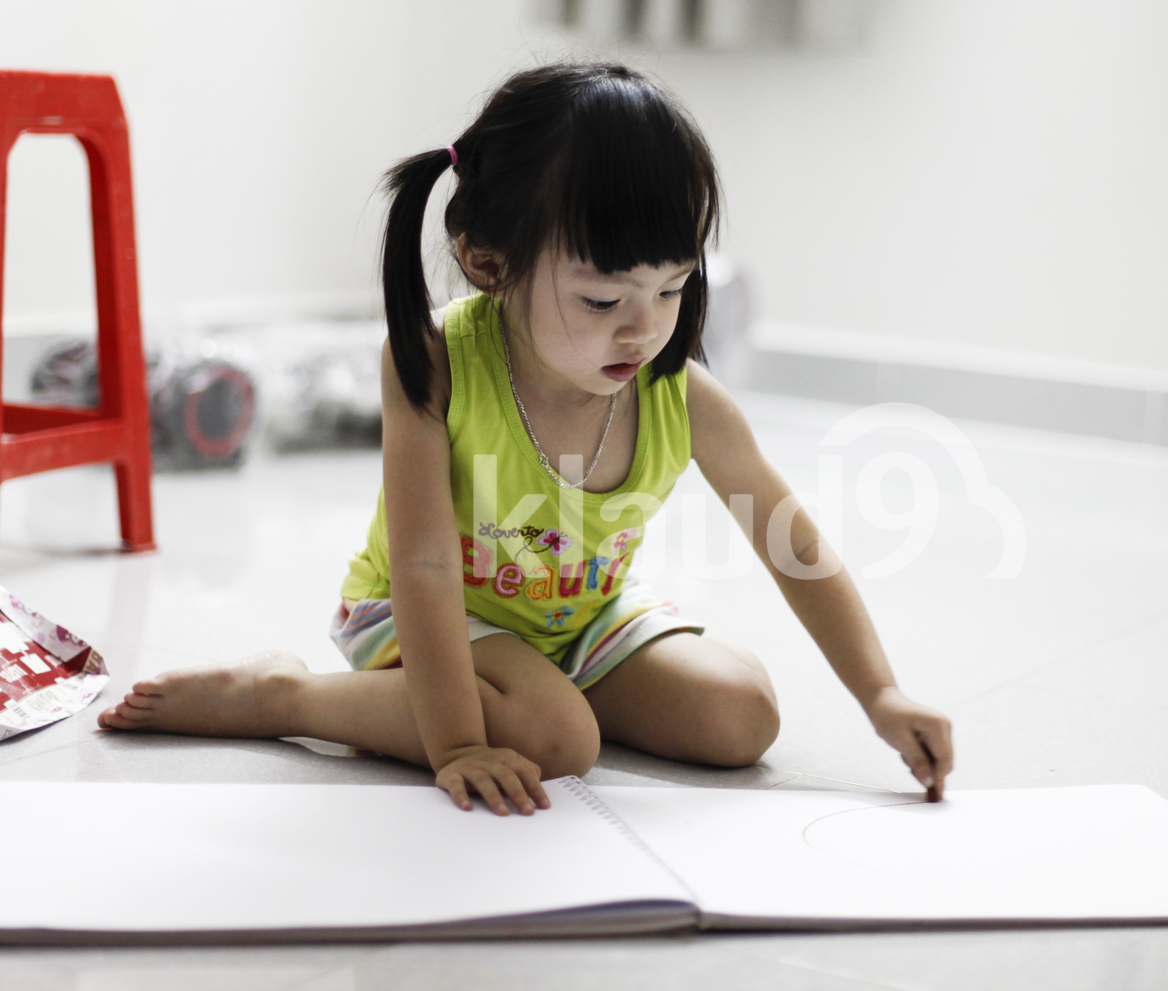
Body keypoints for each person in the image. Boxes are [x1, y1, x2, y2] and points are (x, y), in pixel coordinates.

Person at [98, 62, 953, 816]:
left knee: (741, 717)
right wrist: (458, 744)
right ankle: (283, 696)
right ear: (487, 261)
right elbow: (426, 565)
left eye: (672, 289)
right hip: (424, 613)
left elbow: (793, 545)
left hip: (577, 616)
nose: (643, 330)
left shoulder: (685, 397)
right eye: (601, 299)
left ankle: (539, 694)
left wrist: (880, 693)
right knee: (558, 741)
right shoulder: (432, 361)